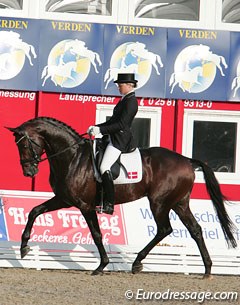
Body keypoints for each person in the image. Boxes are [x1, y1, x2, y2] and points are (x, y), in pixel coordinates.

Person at [87, 73, 138, 214]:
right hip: (112, 136)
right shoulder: (124, 100)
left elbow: (121, 124)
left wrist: (101, 129)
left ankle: (109, 204)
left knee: (104, 167)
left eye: (120, 85)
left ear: (129, 85)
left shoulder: (131, 102)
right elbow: (112, 121)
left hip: (120, 140)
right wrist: (97, 127)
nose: (118, 87)